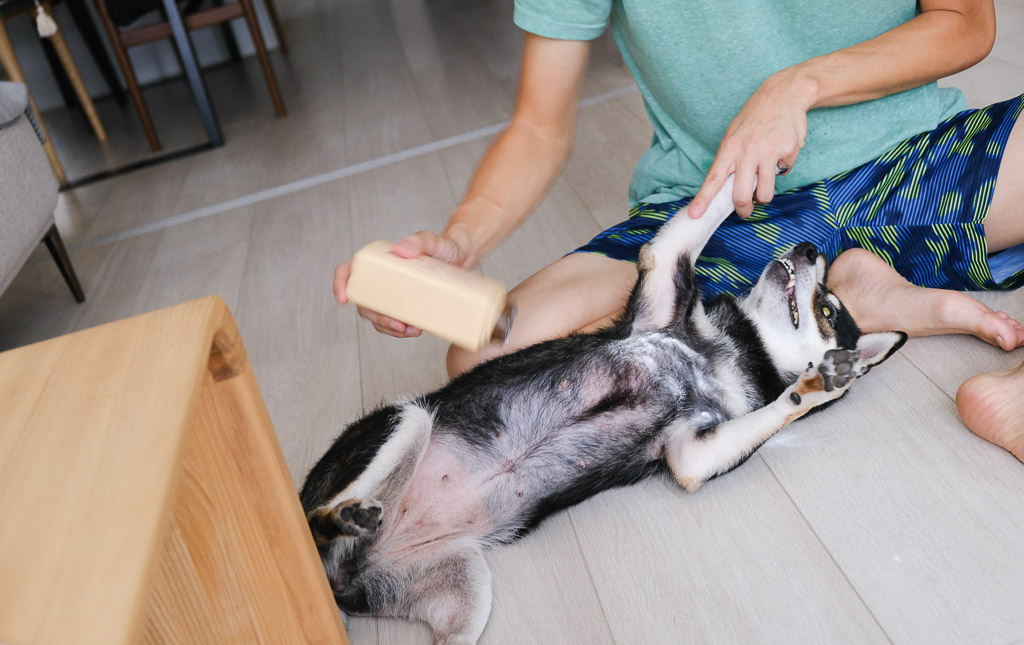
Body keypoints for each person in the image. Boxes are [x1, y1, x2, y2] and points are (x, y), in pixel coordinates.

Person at [334, 0, 1024, 460]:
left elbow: (965, 20)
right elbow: (539, 125)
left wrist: (798, 86)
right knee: (483, 359)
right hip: (716, 210)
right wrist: (459, 244)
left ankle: (945, 347)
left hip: (914, 158)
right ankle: (846, 294)